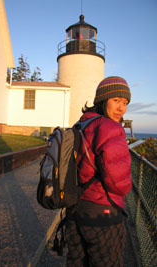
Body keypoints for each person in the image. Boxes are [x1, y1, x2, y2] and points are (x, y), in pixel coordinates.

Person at [65, 76, 132, 267]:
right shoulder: (110, 127)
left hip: (75, 207)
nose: (121, 108)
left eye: (125, 102)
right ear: (102, 100)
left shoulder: (81, 124)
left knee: (77, 261)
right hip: (101, 213)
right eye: (116, 100)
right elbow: (118, 183)